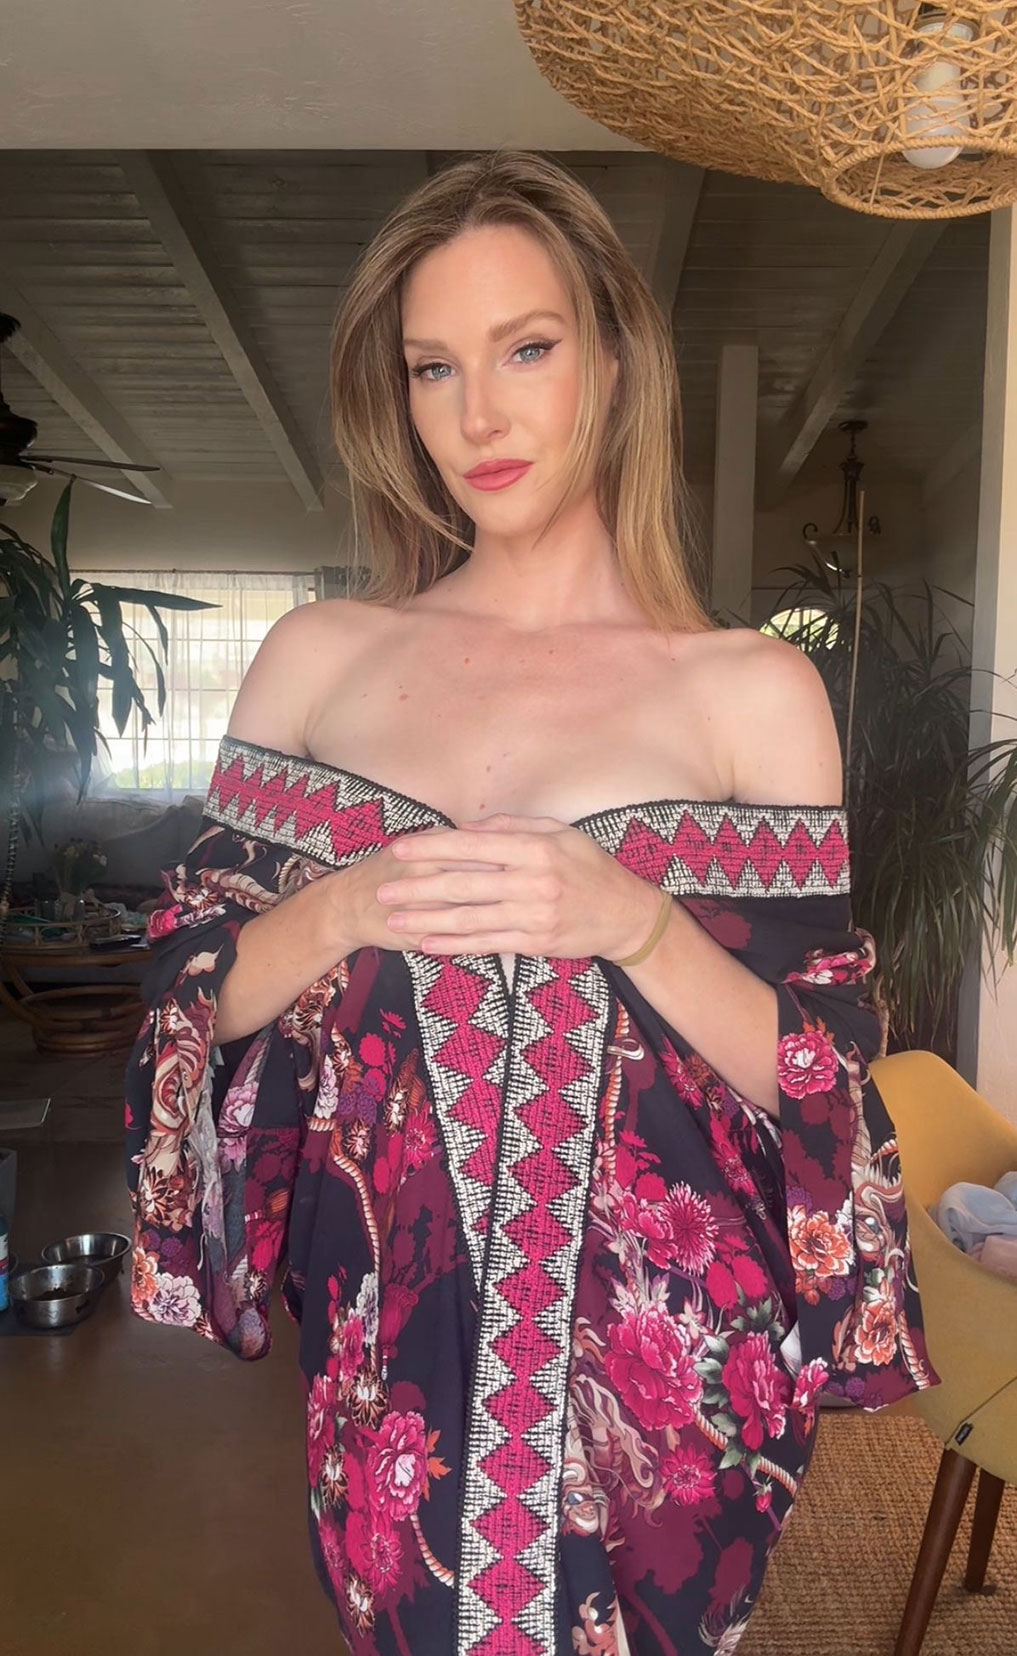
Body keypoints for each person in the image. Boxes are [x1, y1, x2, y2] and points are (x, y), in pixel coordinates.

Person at [124, 149, 940, 1656]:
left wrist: (634, 923)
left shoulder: (752, 692)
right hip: (393, 1407)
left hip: (664, 1413)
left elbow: (821, 1077)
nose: (477, 418)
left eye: (526, 349)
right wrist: (348, 903)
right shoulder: (320, 661)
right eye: (433, 367)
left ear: (614, 364)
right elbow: (192, 1001)